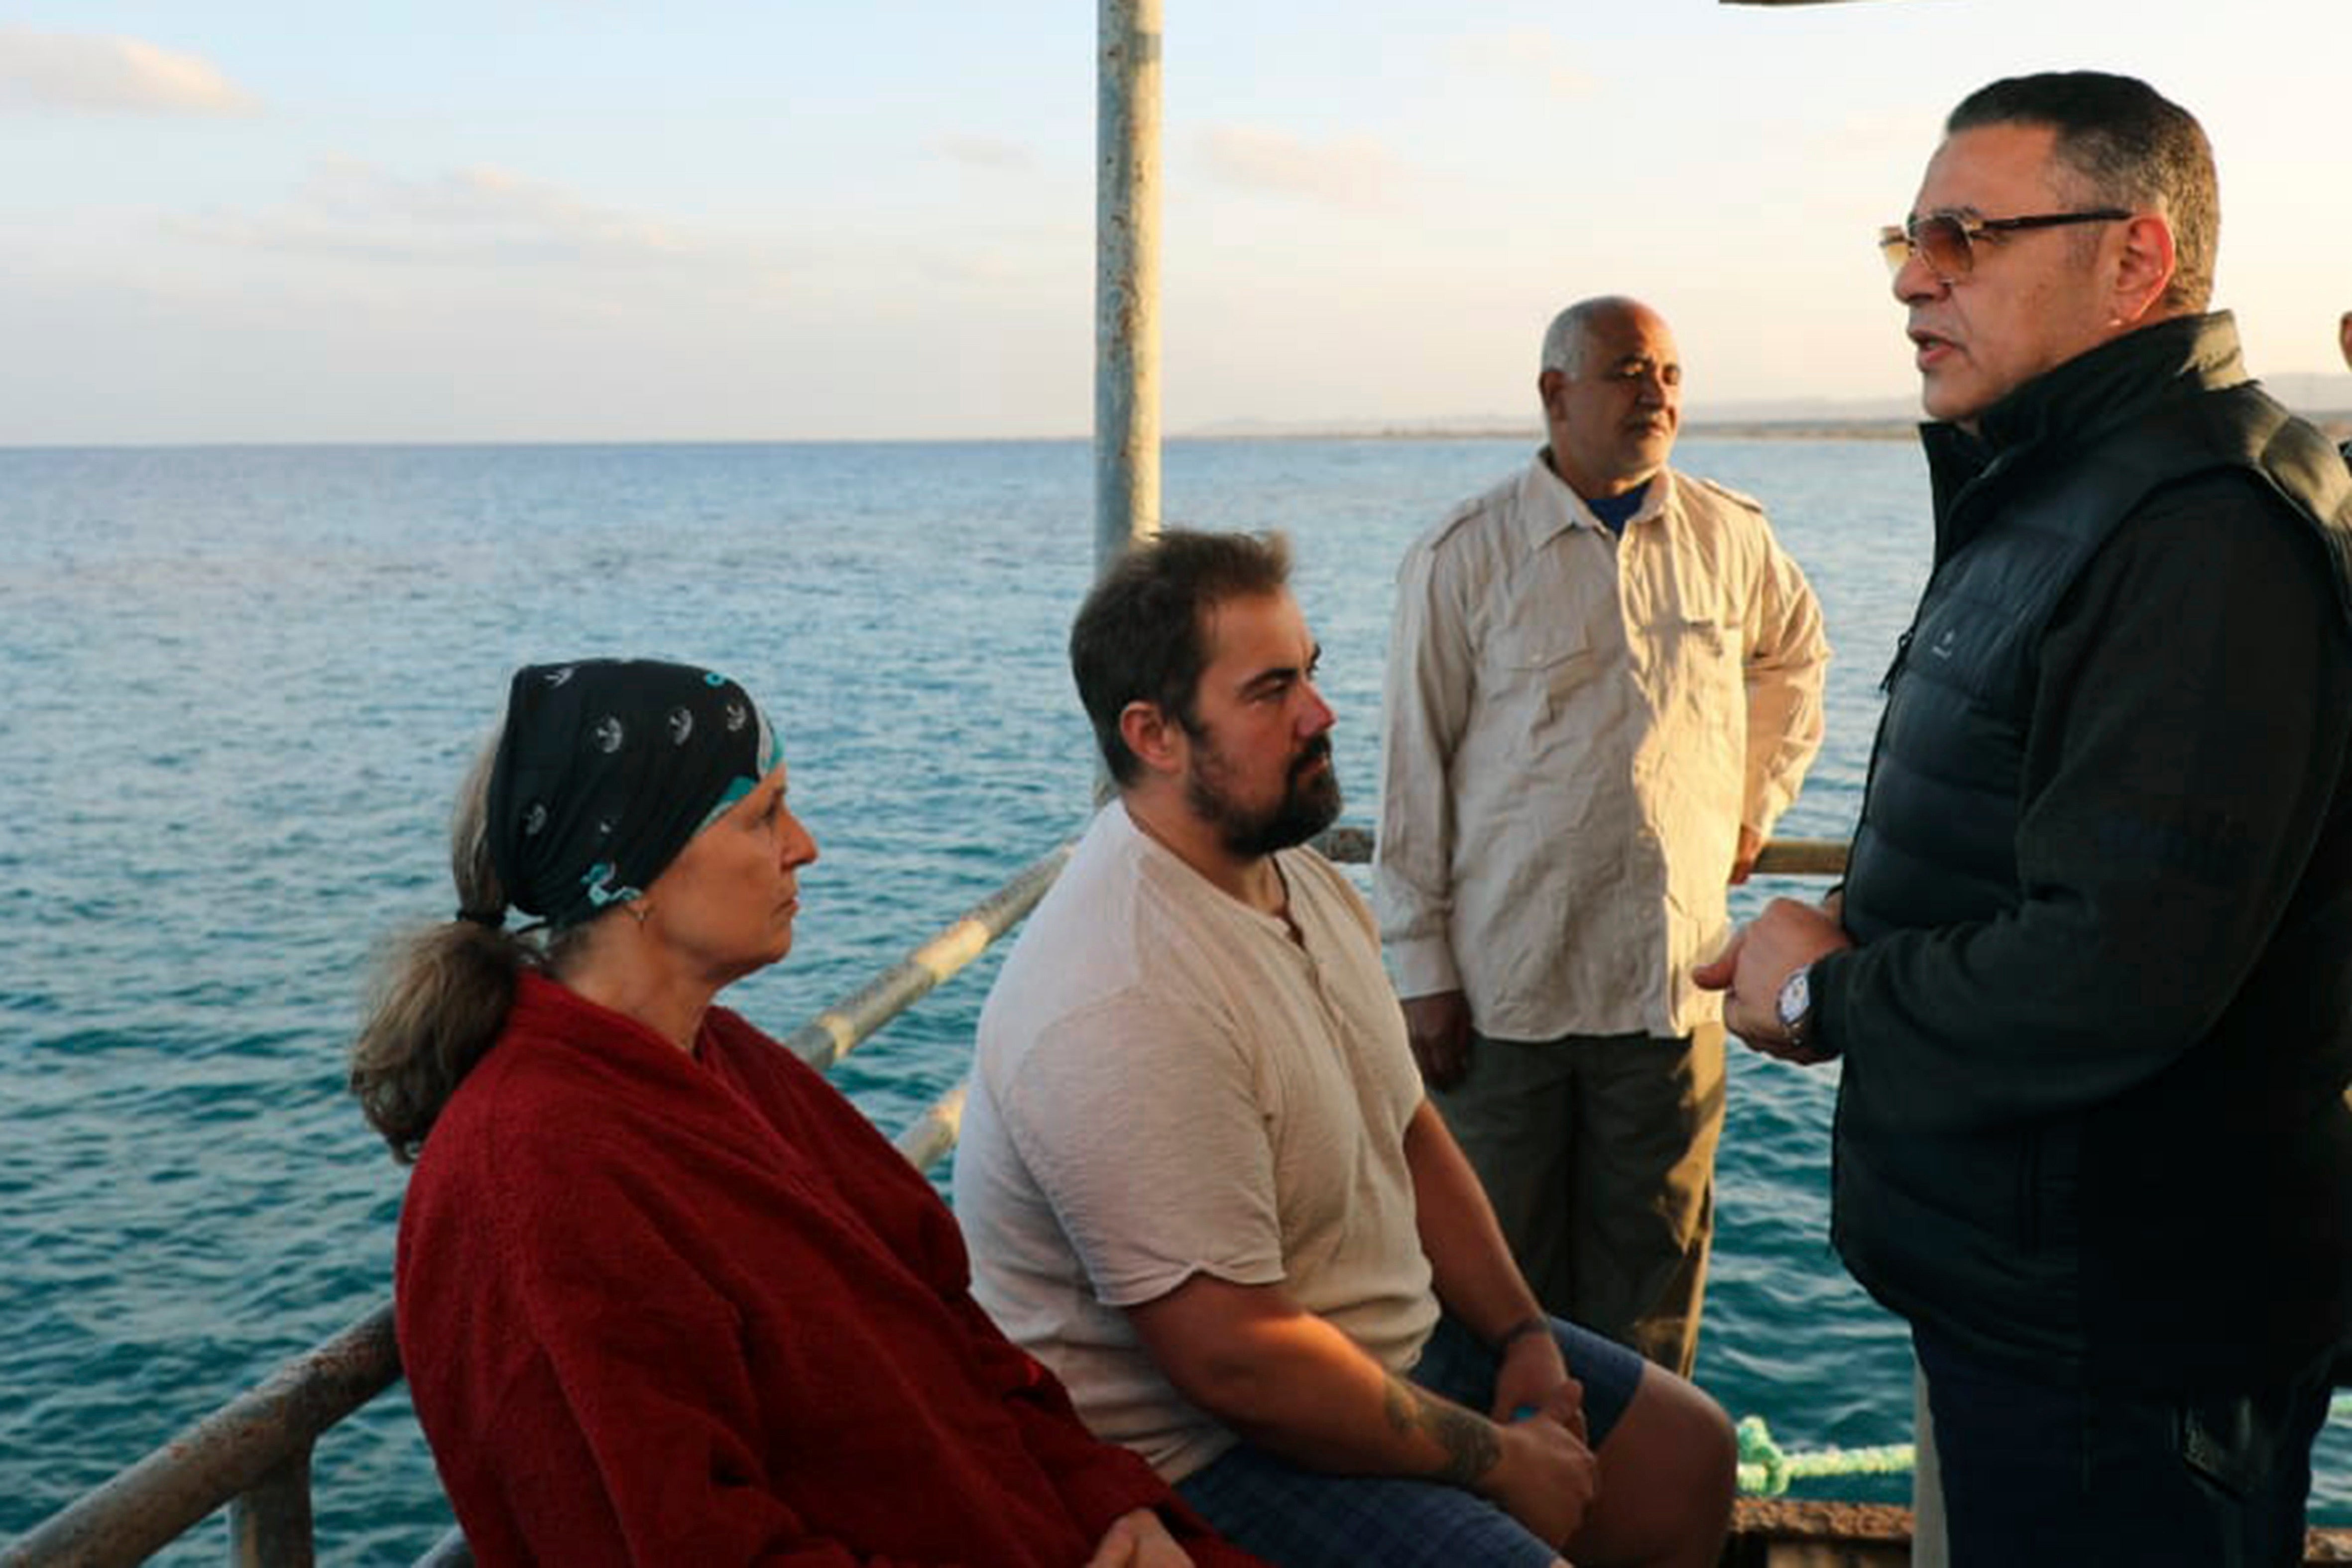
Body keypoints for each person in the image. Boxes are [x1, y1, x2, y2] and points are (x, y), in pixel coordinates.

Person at [1697, 71, 2352, 1567]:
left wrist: (1823, 982)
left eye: (1965, 236)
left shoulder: (2200, 534)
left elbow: (2118, 963)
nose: (1914, 279)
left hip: (2119, 1332)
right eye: (1905, 240)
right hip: (2044, 1298)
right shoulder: (2073, 485)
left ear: (2135, 259)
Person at [351, 659, 1257, 1567]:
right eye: (763, 815)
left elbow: (955, 1332)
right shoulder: (535, 1174)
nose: (805, 845)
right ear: (633, 872)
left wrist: (1113, 1505)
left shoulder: (726, 1060)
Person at [953, 532, 1735, 1568]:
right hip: (1203, 1447)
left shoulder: (1298, 881)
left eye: (1310, 673)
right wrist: (1501, 1461)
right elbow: (1235, 1364)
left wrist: (1523, 1338)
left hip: (1378, 1343)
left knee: (1689, 1455)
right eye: (1271, 691)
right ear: (1154, 734)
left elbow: (1407, 1132)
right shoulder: (1120, 994)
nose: (1321, 714)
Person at [1376, 296, 1828, 1375]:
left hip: (1668, 987)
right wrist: (1418, 967)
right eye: (1629, 371)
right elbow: (1412, 768)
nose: (1656, 394)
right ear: (1554, 392)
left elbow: (1796, 660)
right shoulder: (1465, 555)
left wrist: (1749, 803)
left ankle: (1634, 1514)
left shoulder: (1730, 537)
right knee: (1489, 1288)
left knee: (1651, 1285)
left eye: (1670, 374)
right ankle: (1498, 1524)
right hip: (1504, 994)